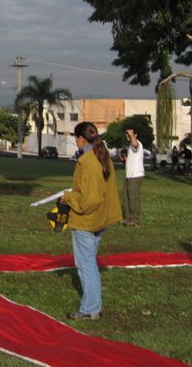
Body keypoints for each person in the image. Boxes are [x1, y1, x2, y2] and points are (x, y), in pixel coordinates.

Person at [60, 122, 122, 320]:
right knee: (90, 263)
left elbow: (90, 200)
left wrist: (69, 197)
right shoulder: (101, 157)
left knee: (86, 266)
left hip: (87, 221)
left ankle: (90, 308)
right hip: (99, 220)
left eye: (76, 139)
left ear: (80, 139)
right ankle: (93, 306)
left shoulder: (89, 162)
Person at [121, 126, 145, 227]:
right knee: (126, 197)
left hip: (135, 176)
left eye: (130, 133)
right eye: (127, 134)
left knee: (133, 198)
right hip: (129, 176)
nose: (127, 135)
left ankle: (134, 219)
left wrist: (131, 135)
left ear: (135, 135)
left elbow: (136, 145)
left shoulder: (137, 143)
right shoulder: (130, 145)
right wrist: (125, 160)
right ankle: (127, 218)